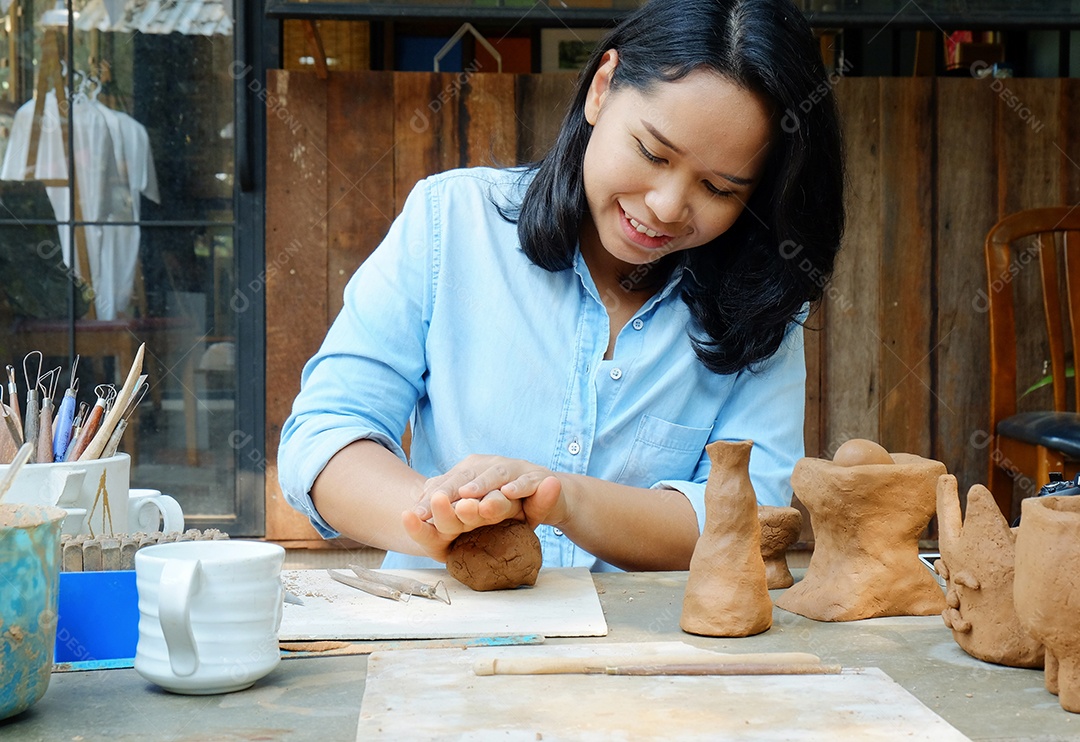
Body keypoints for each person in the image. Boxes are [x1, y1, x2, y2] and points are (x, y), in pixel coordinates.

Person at [278, 0, 845, 573]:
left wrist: (565, 500)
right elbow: (325, 434)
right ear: (601, 88)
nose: (667, 207)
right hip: (448, 641)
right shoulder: (451, 222)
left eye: (720, 189)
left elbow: (748, 517)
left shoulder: (759, 300)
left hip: (653, 653)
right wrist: (437, 517)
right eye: (652, 152)